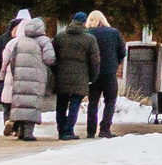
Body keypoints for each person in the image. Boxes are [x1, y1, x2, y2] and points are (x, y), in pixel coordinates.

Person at [0, 15, 56, 142]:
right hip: (37, 77)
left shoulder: (20, 41)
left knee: (21, 103)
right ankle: (28, 133)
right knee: (32, 103)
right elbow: (50, 59)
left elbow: (12, 60)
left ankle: (19, 131)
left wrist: (15, 73)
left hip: (20, 76)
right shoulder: (44, 40)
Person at [51, 13, 99, 139]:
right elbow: (95, 61)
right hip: (80, 77)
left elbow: (52, 57)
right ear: (84, 23)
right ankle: (68, 130)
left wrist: (56, 72)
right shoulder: (89, 39)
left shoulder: (60, 37)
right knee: (75, 103)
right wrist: (92, 77)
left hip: (62, 75)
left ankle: (61, 130)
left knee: (61, 103)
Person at [84, 11, 126, 139]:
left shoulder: (87, 34)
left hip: (93, 73)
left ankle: (90, 131)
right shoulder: (113, 32)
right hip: (109, 73)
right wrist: (115, 63)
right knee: (110, 101)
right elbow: (122, 51)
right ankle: (105, 129)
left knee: (92, 102)